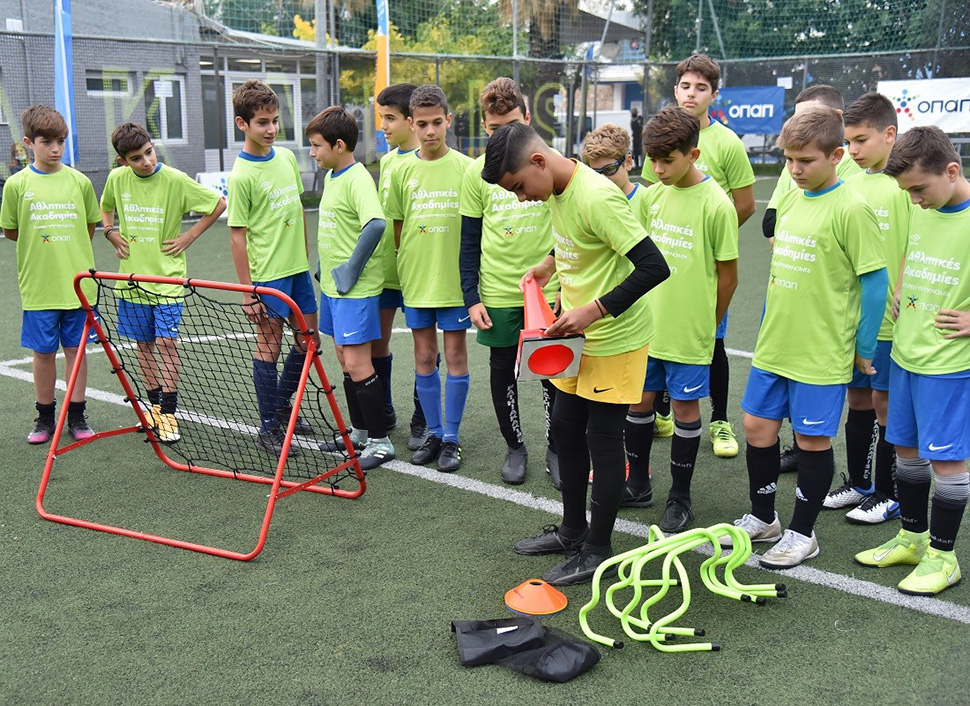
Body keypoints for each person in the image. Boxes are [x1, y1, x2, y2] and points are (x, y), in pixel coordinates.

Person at [482, 122, 669, 585]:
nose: (522, 198)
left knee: (602, 442)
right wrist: (550, 261)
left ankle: (597, 550)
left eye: (520, 186)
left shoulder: (598, 195)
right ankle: (571, 532)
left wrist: (594, 310)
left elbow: (654, 266)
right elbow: (580, 238)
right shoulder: (561, 191)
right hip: (576, 340)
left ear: (539, 162)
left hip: (615, 339)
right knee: (566, 431)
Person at [728, 106, 887, 569]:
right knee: (757, 428)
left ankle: (803, 533)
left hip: (821, 348)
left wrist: (864, 345)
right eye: (789, 160)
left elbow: (874, 283)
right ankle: (764, 519)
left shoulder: (853, 208)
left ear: (838, 156)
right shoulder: (793, 198)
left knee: (813, 439)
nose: (794, 170)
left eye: (805, 161)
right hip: (775, 343)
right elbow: (781, 273)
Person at [854, 125, 970, 595]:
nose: (916, 200)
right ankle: (914, 538)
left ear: (952, 170)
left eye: (920, 189)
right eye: (908, 193)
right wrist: (903, 287)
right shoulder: (925, 204)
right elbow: (912, 253)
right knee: (905, 450)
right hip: (906, 352)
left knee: (948, 464)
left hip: (950, 365)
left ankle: (944, 558)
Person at [625, 106, 739, 533]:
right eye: (652, 160)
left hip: (690, 331)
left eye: (666, 160)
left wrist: (710, 323)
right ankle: (637, 483)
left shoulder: (716, 204)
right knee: (639, 403)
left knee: (687, 409)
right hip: (646, 327)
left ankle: (680, 496)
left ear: (693, 154)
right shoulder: (651, 196)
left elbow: (728, 276)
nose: (657, 169)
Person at [641, 54, 755, 459]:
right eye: (685, 86)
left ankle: (720, 419)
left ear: (714, 93)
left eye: (701, 87)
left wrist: (705, 241)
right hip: (669, 268)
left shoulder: (726, 143)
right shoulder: (661, 146)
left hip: (703, 268)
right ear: (676, 90)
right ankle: (662, 412)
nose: (692, 93)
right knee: (657, 357)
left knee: (713, 344)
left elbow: (743, 204)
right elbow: (648, 201)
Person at [459, 77, 560, 486]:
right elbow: (468, 241)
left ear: (529, 120)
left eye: (512, 126)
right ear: (485, 128)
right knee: (503, 371)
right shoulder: (475, 175)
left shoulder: (549, 162)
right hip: (499, 292)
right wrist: (471, 296)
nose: (504, 137)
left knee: (556, 373)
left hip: (549, 292)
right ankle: (515, 446)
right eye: (495, 130)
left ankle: (558, 447)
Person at [100, 122, 226, 443]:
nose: (147, 161)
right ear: (123, 161)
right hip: (131, 281)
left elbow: (218, 205)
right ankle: (153, 407)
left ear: (153, 146)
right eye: (137, 158)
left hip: (168, 281)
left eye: (149, 152)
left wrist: (190, 235)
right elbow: (106, 207)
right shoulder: (117, 179)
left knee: (167, 345)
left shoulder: (175, 179)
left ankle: (169, 413)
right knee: (144, 346)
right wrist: (110, 231)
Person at [763, 84, 865, 474]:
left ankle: (867, 483)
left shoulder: (855, 187)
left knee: (868, 403)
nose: (795, 167)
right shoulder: (795, 178)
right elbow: (771, 222)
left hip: (833, 318)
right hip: (787, 306)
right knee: (762, 422)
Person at [821, 92, 913, 522]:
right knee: (856, 398)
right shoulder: (850, 181)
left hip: (893, 322)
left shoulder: (908, 181)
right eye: (849, 142)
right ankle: (858, 483)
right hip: (853, 318)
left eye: (861, 141)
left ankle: (887, 492)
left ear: (889, 134)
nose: (852, 150)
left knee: (884, 405)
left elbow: (920, 242)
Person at [227, 79, 319, 456]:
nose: (271, 128)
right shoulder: (241, 175)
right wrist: (249, 292)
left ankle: (284, 407)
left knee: (308, 338)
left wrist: (305, 254)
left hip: (297, 270)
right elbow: (237, 237)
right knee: (270, 345)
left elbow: (296, 208)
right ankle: (269, 428)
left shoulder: (284, 158)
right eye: (262, 121)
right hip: (267, 276)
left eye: (275, 120)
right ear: (242, 124)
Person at [384, 85, 473, 472]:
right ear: (412, 125)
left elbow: (474, 229)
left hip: (453, 283)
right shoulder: (401, 170)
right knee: (423, 356)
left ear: (448, 120)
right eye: (422, 124)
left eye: (437, 122)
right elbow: (398, 227)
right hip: (417, 281)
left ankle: (452, 438)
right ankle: (433, 432)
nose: (430, 131)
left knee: (454, 356)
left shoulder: (468, 169)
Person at [0, 106, 101, 443]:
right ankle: (44, 419)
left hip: (77, 287)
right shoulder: (16, 185)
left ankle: (77, 416)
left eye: (60, 141)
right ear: (29, 142)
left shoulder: (80, 182)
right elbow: (12, 231)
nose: (55, 148)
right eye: (47, 141)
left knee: (76, 351)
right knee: (43, 354)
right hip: (39, 286)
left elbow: (89, 227)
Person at [307, 106, 394, 471]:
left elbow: (375, 225)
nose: (313, 153)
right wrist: (323, 268)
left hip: (353, 290)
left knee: (358, 361)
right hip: (332, 288)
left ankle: (381, 441)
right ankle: (359, 433)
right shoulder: (333, 176)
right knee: (345, 358)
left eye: (317, 146)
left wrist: (349, 270)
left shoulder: (357, 178)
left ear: (339, 145)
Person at [376, 83, 430, 451]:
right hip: (384, 271)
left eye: (390, 118)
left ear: (412, 122)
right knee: (378, 344)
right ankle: (382, 411)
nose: (383, 126)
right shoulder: (386, 160)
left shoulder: (429, 162)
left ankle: (422, 417)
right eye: (381, 118)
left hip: (418, 272)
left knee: (423, 348)